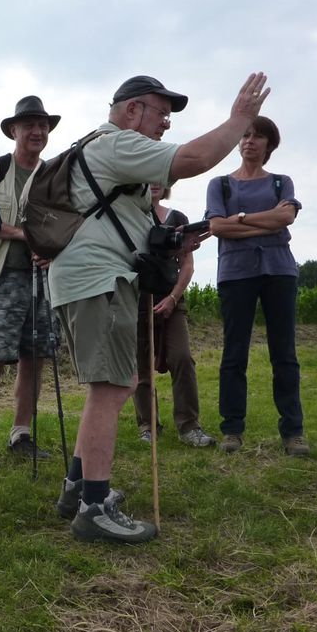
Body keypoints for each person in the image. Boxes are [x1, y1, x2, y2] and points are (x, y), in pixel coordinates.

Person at [49, 73, 270, 544]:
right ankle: (93, 506)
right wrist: (239, 121)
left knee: (109, 384)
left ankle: (76, 488)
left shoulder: (105, 150)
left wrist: (170, 240)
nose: (167, 123)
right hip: (99, 282)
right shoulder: (118, 144)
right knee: (113, 386)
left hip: (91, 280)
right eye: (161, 112)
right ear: (132, 111)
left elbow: (119, 221)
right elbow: (194, 159)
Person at [0, 96, 60, 472]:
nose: (37, 131)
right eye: (30, 125)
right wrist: (27, 236)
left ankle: (21, 434)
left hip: (43, 280)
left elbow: (62, 223)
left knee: (34, 358)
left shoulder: (53, 175)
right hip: (1, 277)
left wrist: (51, 248)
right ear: (13, 131)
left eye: (43, 125)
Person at [205, 116, 309, 457]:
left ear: (269, 145)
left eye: (258, 136)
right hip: (235, 273)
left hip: (279, 271)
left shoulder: (282, 182)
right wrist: (265, 222)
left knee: (285, 354)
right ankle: (232, 430)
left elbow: (286, 218)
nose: (250, 141)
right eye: (245, 135)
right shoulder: (219, 184)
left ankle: (293, 432)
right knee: (234, 355)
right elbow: (217, 228)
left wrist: (243, 220)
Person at [131, 182, 216, 448]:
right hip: (135, 301)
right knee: (141, 367)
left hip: (171, 300)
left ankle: (189, 426)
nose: (154, 184)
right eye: (148, 178)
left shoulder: (179, 219)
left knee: (182, 358)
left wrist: (172, 298)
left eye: (160, 178)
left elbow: (187, 265)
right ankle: (147, 425)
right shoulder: (130, 216)